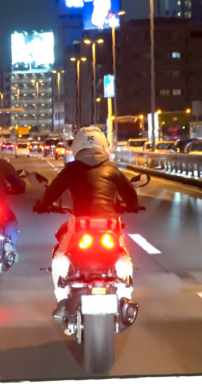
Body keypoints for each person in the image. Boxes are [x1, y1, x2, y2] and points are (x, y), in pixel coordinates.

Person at [32, 126, 142, 322]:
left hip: (80, 226)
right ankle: (125, 297)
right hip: (109, 225)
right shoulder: (111, 168)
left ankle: (63, 301)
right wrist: (132, 206)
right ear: (103, 145)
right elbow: (131, 195)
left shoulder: (71, 169)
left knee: (60, 256)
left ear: (77, 147)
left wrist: (42, 205)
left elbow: (52, 192)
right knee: (123, 257)